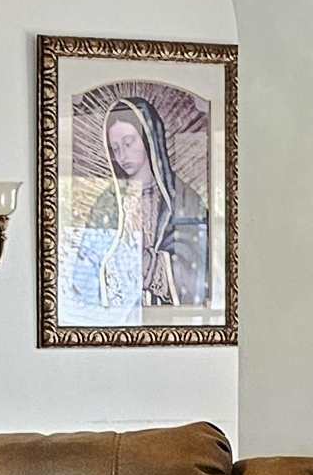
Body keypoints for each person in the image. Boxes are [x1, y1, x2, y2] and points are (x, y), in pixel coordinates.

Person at [67, 90, 210, 312]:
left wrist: (149, 264)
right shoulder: (108, 202)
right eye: (115, 148)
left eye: (129, 142)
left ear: (148, 139)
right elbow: (84, 272)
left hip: (170, 323)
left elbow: (198, 271)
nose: (122, 155)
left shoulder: (183, 200)